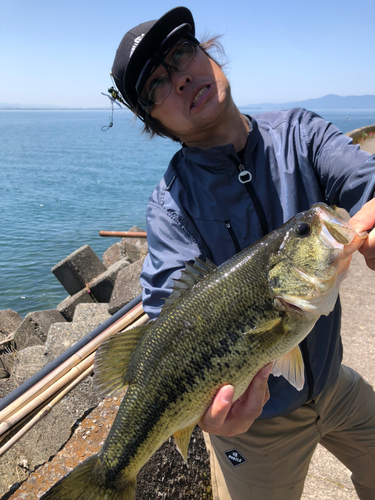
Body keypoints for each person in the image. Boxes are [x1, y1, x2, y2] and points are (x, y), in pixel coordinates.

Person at [110, 7, 375, 499]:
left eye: (182, 53)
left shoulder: (300, 133)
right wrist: (210, 416)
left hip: (334, 382)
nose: (182, 79)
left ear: (208, 53)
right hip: (255, 429)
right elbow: (167, 323)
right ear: (155, 122)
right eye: (157, 87)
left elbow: (368, 181)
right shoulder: (171, 208)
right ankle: (111, 477)